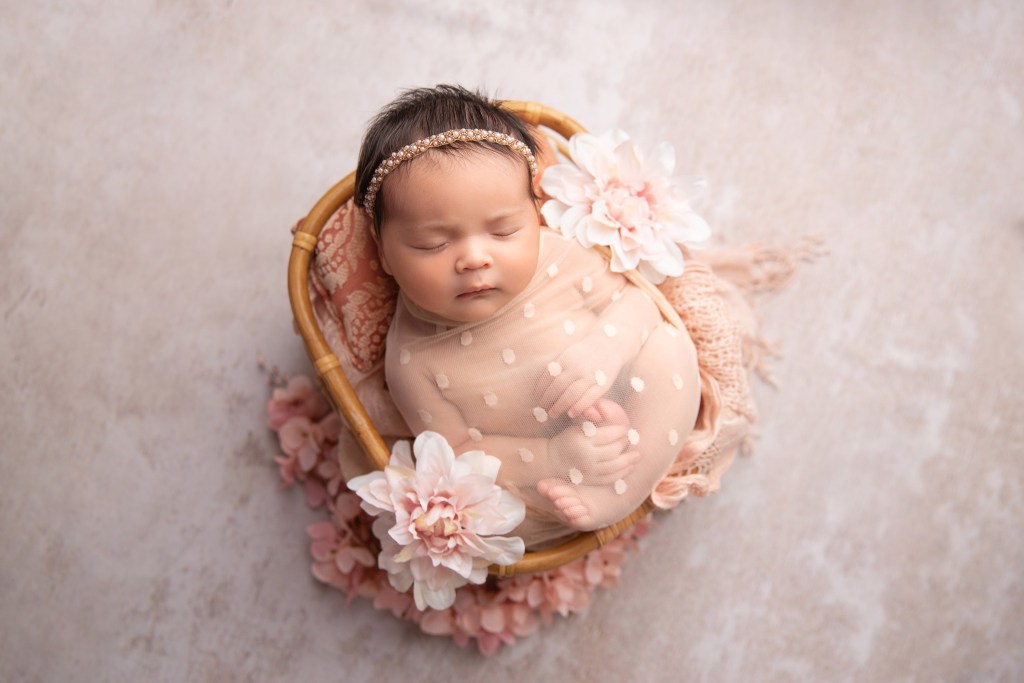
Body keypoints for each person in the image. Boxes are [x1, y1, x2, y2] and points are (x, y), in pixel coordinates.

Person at [354, 86, 701, 547]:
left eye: (504, 230)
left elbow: (636, 304)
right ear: (385, 254)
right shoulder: (411, 361)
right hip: (546, 464)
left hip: (627, 389)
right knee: (482, 503)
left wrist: (605, 350)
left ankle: (625, 489)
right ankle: (598, 486)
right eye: (432, 244)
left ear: (535, 216)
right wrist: (553, 456)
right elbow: (457, 454)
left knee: (669, 350)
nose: (474, 258)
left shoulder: (559, 257)